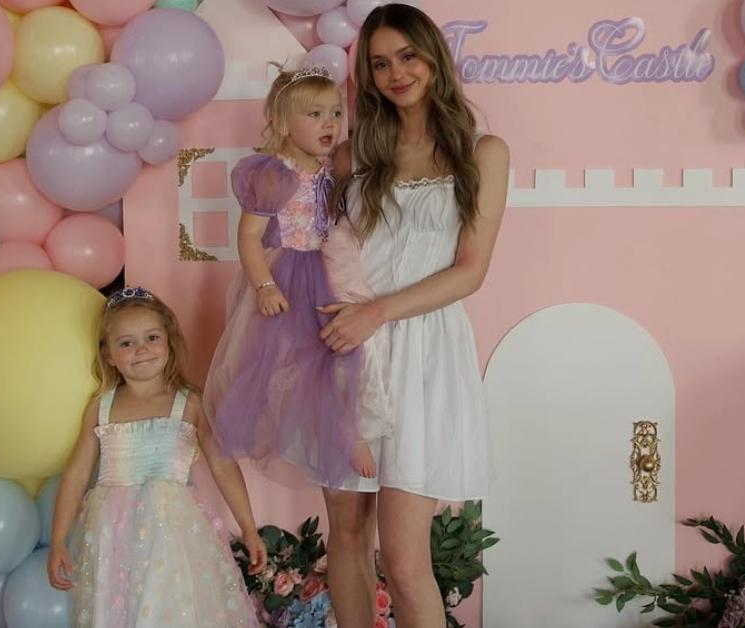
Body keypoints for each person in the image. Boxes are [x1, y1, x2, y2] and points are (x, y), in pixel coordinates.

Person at [317, 4, 511, 627]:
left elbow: (469, 271)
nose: (396, 72)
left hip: (424, 354)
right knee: (345, 540)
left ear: (433, 58)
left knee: (405, 563)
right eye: (379, 63)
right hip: (349, 351)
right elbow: (318, 254)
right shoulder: (349, 159)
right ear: (366, 77)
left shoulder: (481, 152)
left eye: (407, 55)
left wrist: (378, 311)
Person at [203, 64, 391, 486]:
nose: (329, 123)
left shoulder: (331, 167)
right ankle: (326, 431)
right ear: (284, 123)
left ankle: (352, 429)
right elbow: (249, 236)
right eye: (314, 114)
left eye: (335, 113)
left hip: (326, 268)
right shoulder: (272, 174)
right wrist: (264, 285)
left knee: (346, 349)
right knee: (292, 362)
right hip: (287, 273)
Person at [46, 286, 267, 627]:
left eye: (151, 337)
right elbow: (76, 476)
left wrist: (249, 529)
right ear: (109, 355)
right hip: (113, 536)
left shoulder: (188, 403)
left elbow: (222, 465)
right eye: (126, 343)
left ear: (168, 342)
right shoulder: (101, 408)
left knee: (172, 609)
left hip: (172, 537)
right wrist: (59, 539)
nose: (142, 350)